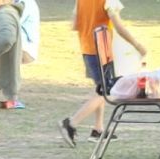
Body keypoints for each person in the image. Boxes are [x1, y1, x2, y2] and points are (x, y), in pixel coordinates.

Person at [57, 0, 146, 145]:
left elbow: (75, 24)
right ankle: (71, 123)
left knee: (100, 88)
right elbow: (118, 26)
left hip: (86, 47)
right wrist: (137, 45)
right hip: (102, 49)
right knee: (106, 91)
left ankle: (98, 129)